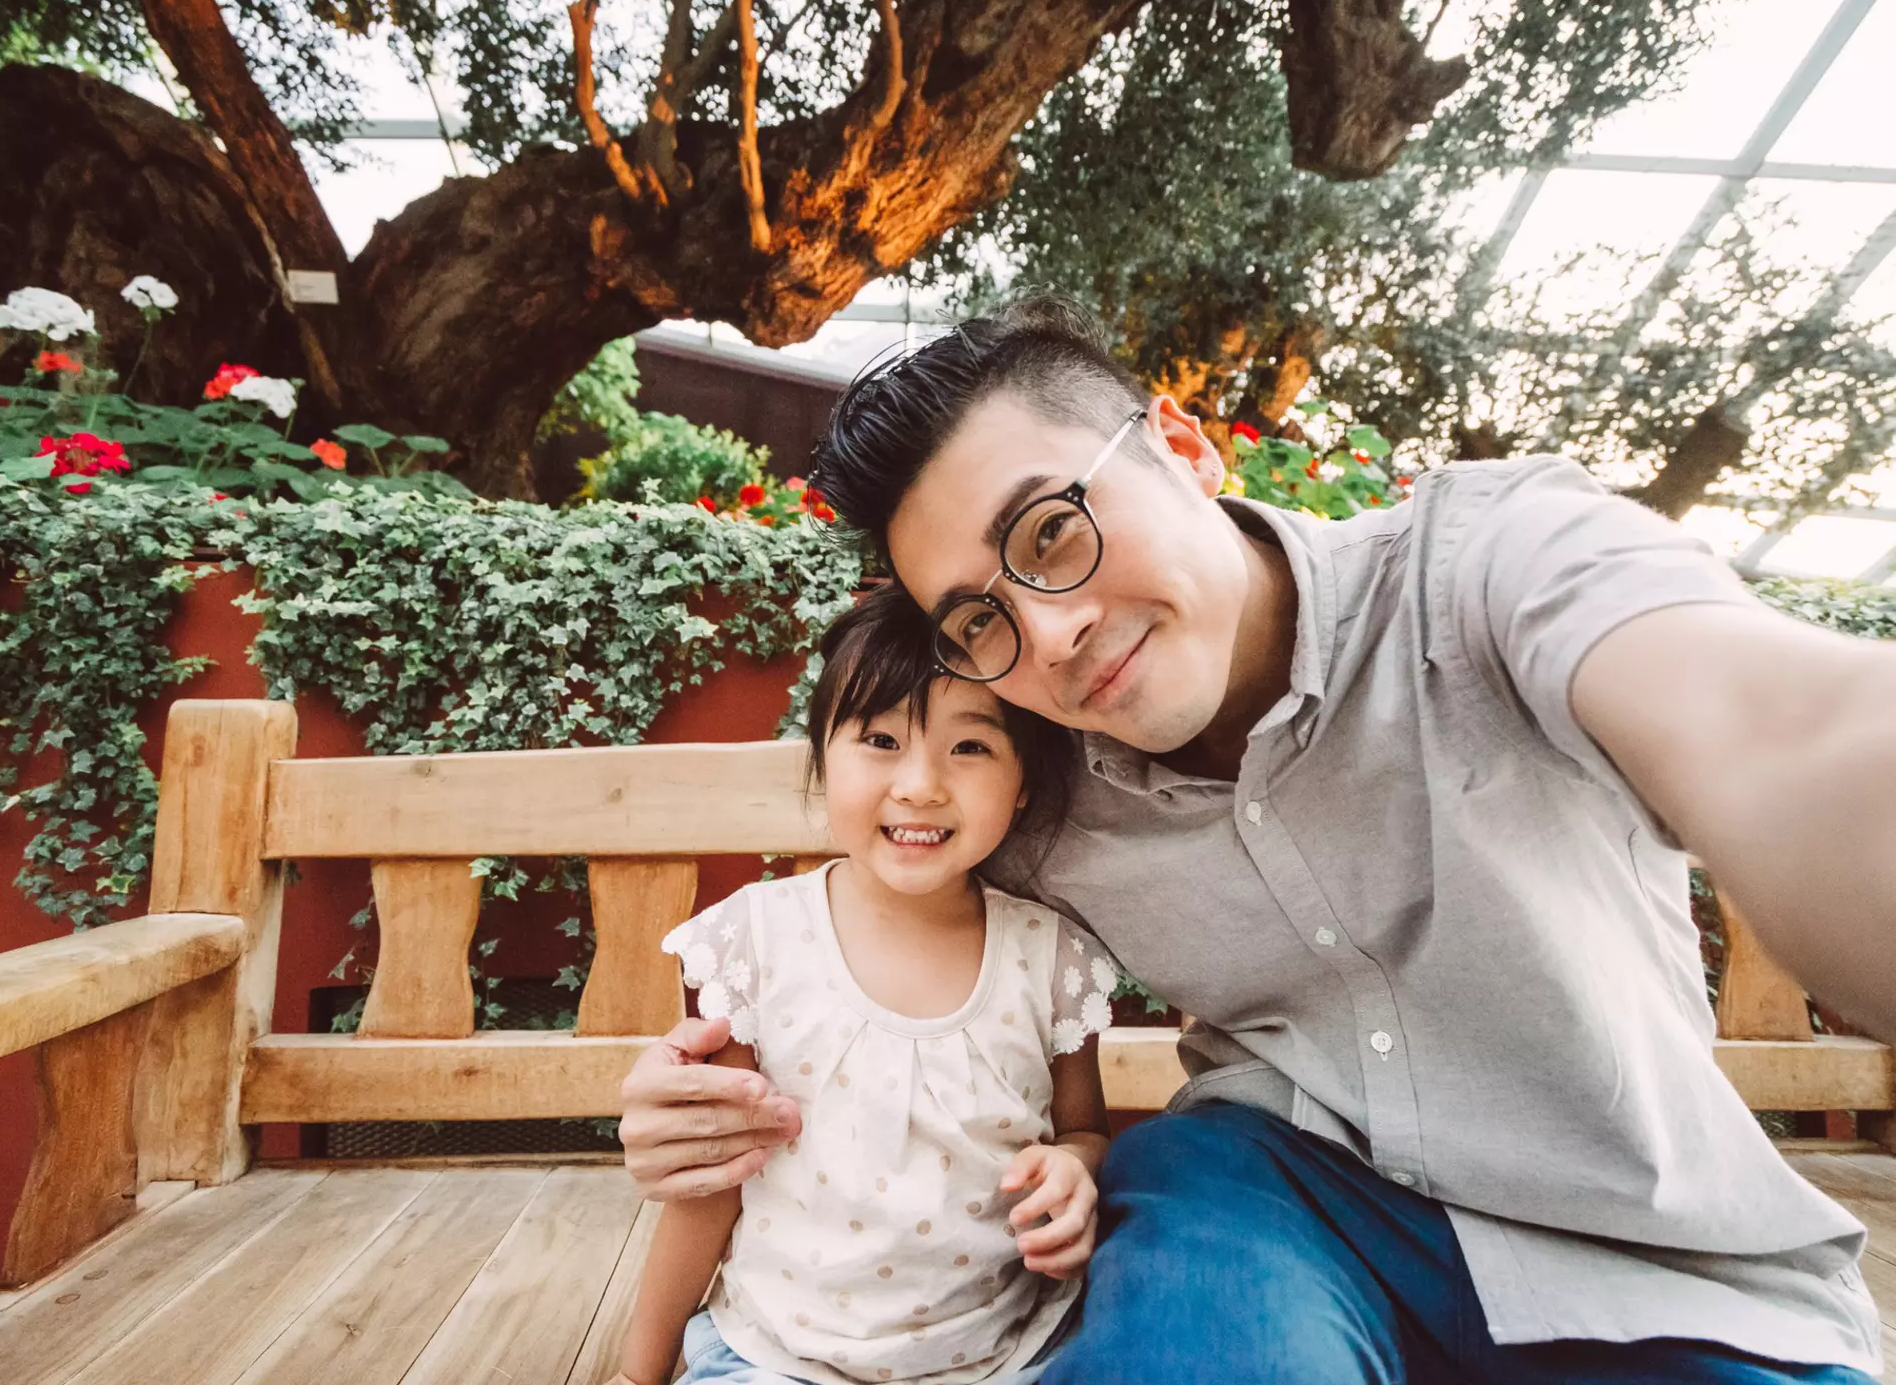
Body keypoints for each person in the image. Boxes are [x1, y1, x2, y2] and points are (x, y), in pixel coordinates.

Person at [620, 299, 1896, 1383]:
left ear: (1180, 447)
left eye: (1050, 532)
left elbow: (1767, 723)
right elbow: (863, 954)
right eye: (977, 619)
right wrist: (686, 1104)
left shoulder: (1482, 570)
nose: (1048, 636)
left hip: (1656, 1262)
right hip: (1271, 1203)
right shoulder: (1026, 778)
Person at [611, 583, 1118, 1385]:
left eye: (970, 747)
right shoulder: (760, 942)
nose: (920, 783)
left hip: (1007, 1356)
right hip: (780, 1357)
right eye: (880, 739)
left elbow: (1083, 1127)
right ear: (821, 757)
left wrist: (1076, 1169)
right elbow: (708, 1180)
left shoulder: (1046, 958)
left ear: (1023, 782)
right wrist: (638, 1373)